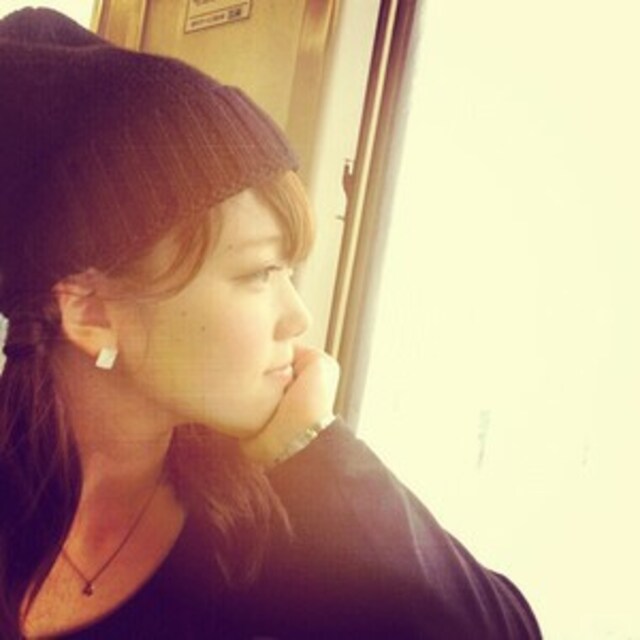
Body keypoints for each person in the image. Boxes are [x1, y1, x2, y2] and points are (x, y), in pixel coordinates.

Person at [0, 8, 542, 640]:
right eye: (259, 273)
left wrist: (314, 452)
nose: (298, 317)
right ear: (92, 313)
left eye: (290, 271)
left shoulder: (276, 520)